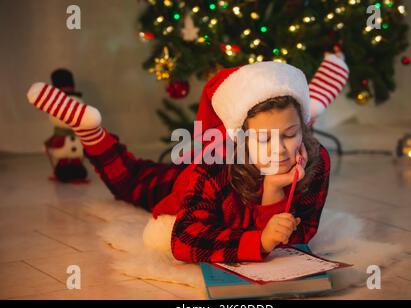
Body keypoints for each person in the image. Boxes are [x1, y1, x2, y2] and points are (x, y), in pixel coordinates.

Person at [26, 53, 349, 263]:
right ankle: (91, 130)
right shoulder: (212, 167)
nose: (279, 150)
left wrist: (272, 194)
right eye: (263, 138)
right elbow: (185, 241)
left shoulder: (314, 159)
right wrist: (259, 240)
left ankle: (309, 105)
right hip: (188, 182)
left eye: (289, 134)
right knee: (135, 180)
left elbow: (303, 230)